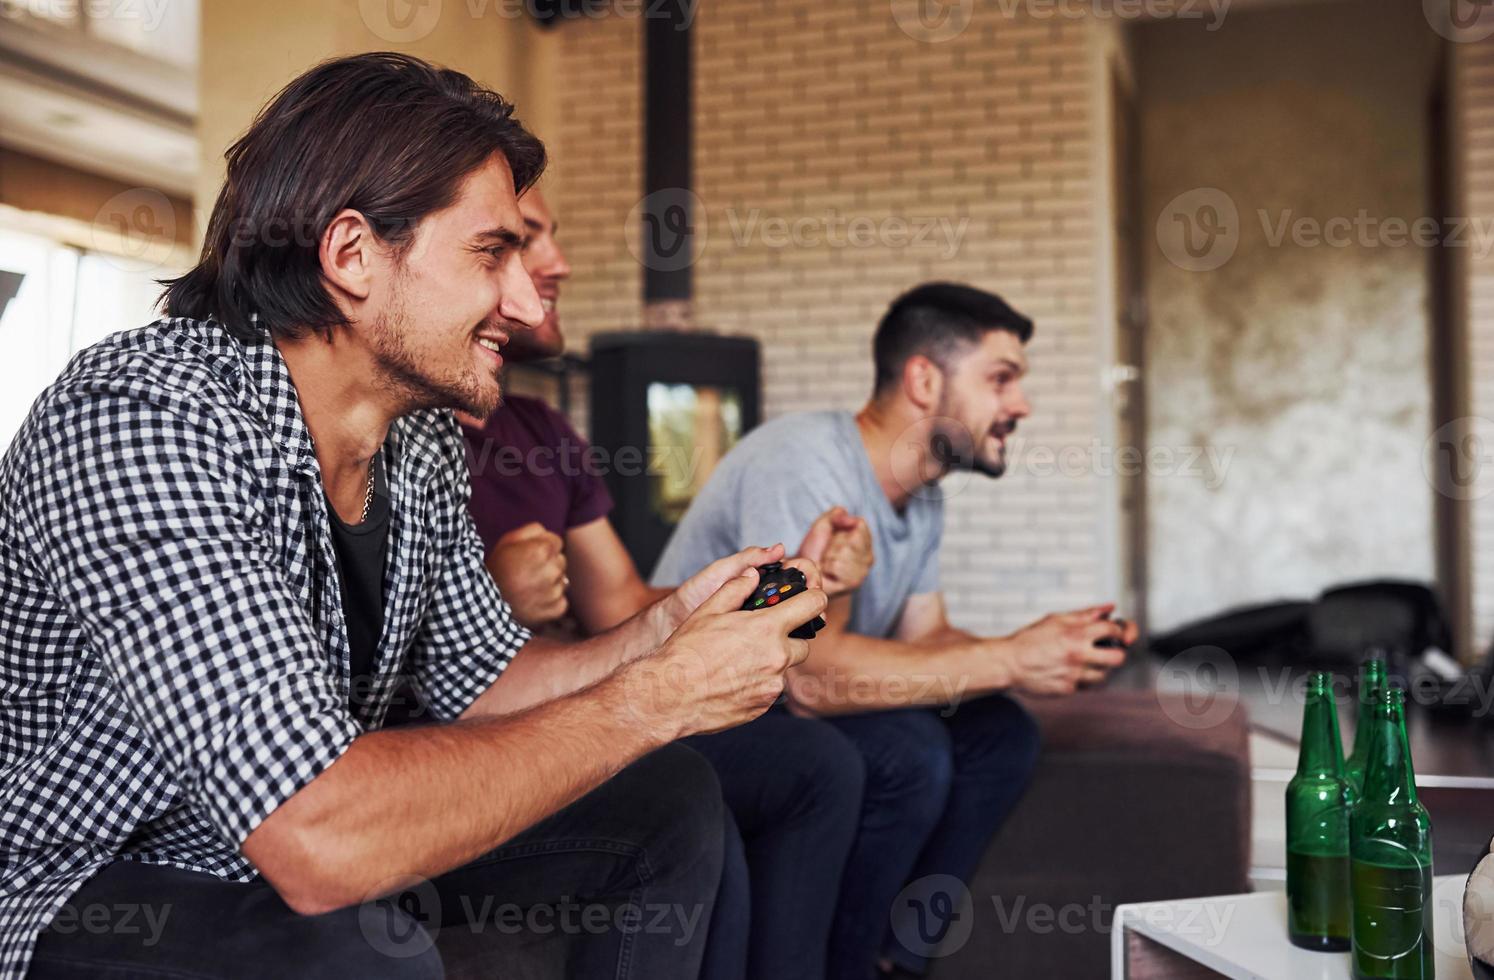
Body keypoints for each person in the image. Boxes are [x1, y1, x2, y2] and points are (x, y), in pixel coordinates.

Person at [0, 53, 826, 979]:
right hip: (92, 879)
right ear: (351, 254)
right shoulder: (139, 417)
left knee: (667, 796)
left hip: (288, 838)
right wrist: (663, 695)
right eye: (491, 252)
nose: (524, 301)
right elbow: (318, 838)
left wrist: (666, 633)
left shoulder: (418, 438)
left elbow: (487, 680)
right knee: (359, 955)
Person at [652, 282, 1139, 980]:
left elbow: (925, 636)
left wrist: (1044, 648)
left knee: (1001, 732)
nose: (1021, 405)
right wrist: (1010, 658)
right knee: (906, 751)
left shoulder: (923, 496)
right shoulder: (806, 461)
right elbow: (809, 676)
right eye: (1002, 379)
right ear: (923, 379)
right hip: (718, 709)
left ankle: (894, 958)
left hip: (791, 693)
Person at [457, 185, 873, 980]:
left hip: (566, 690)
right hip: (503, 736)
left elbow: (618, 604)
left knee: (819, 764)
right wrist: (496, 595)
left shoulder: (543, 431)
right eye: (518, 240)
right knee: (688, 798)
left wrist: (782, 589)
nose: (557, 266)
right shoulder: (401, 435)